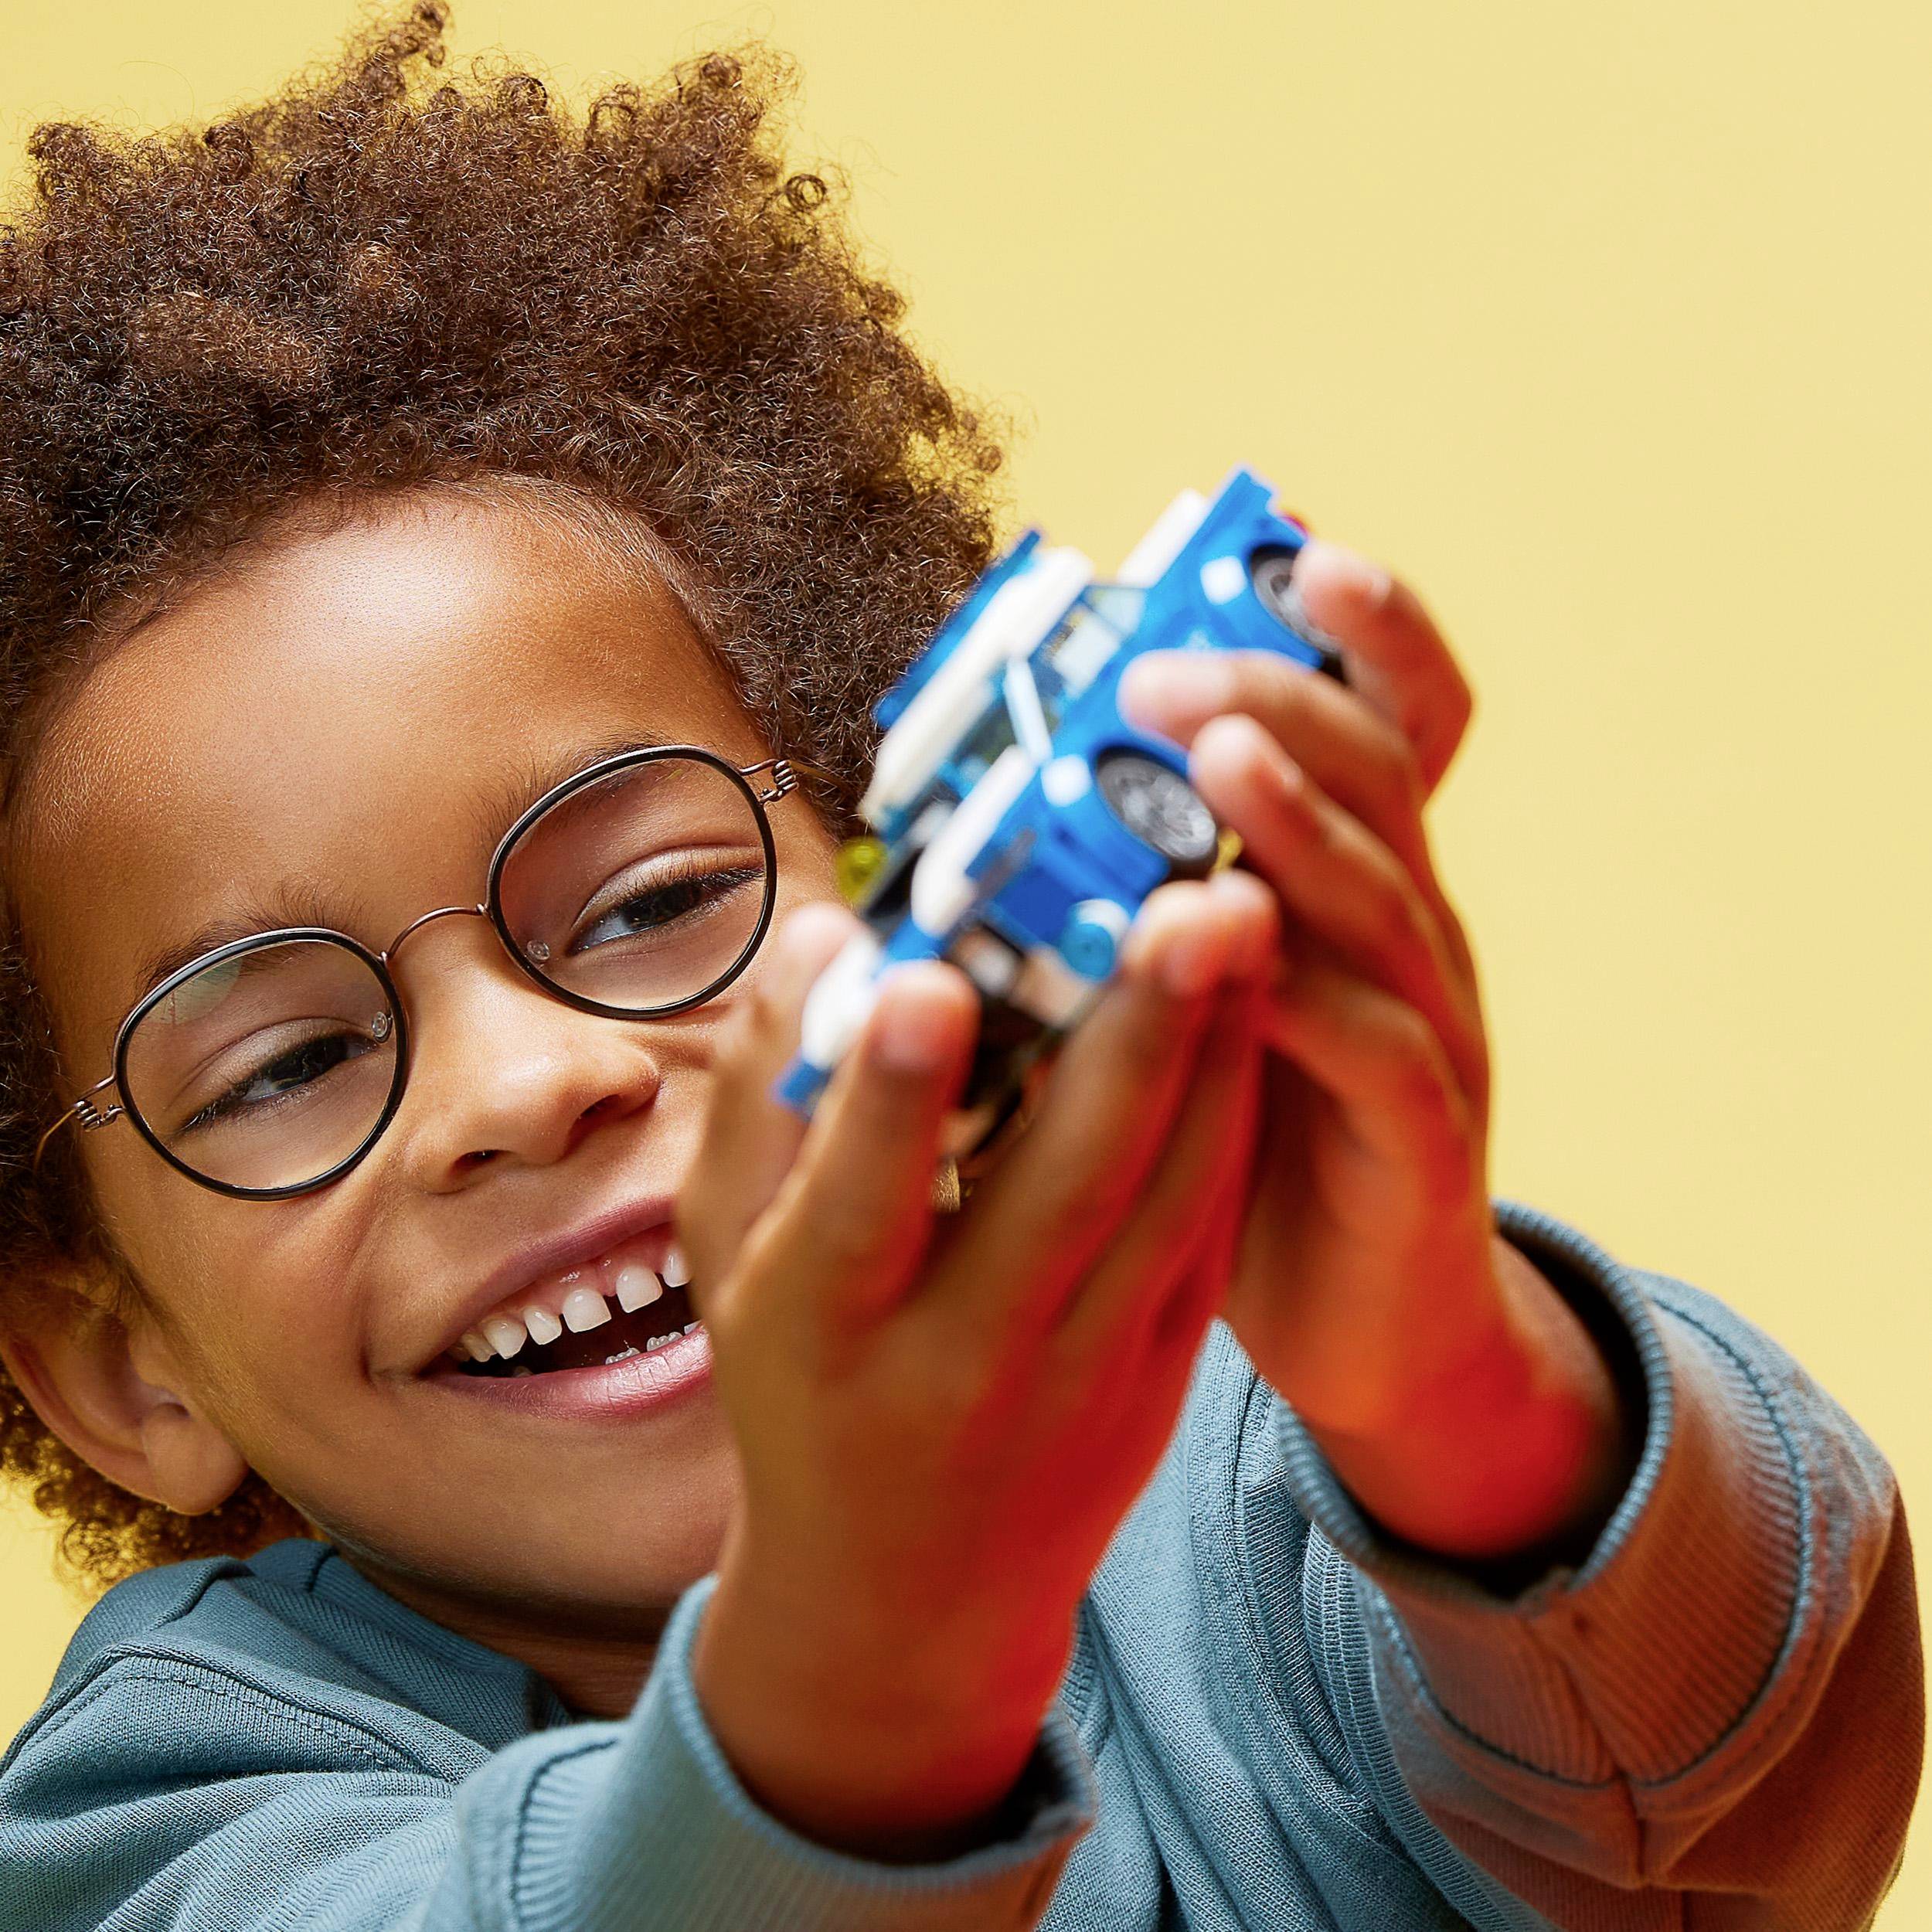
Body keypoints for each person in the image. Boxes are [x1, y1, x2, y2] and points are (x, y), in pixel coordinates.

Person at [0, 9, 1918, 1929]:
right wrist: (872, 1645)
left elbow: (1739, 1824)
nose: (522, 1082)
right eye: (280, 1067)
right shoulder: (164, 1814)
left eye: (651, 900)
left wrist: (1453, 1390)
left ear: (909, 875)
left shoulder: (1254, 1464)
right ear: (120, 1362)